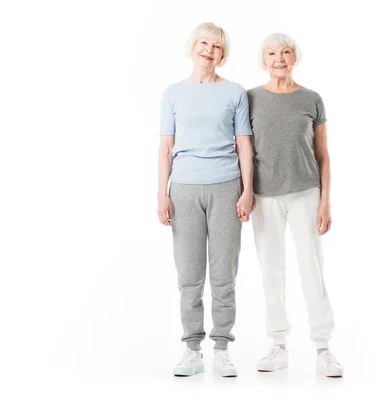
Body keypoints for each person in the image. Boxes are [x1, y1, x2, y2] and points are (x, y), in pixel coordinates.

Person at [157, 22, 253, 377]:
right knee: (190, 274)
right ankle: (192, 349)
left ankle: (222, 348)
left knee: (224, 273)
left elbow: (244, 143)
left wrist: (247, 190)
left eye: (216, 45)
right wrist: (161, 194)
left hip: (226, 186)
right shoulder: (172, 93)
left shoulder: (235, 92)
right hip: (183, 189)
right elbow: (166, 147)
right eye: (203, 42)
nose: (208, 49)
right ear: (193, 47)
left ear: (222, 54)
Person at [247, 33, 344, 377]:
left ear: (295, 58)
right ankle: (278, 344)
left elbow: (323, 155)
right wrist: (244, 192)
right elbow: (241, 150)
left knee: (311, 267)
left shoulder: (312, 99)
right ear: (264, 60)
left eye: (286, 52)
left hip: (305, 192)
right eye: (272, 52)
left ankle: (323, 347)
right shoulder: (251, 99)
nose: (279, 58)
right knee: (271, 270)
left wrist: (326, 202)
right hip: (263, 195)